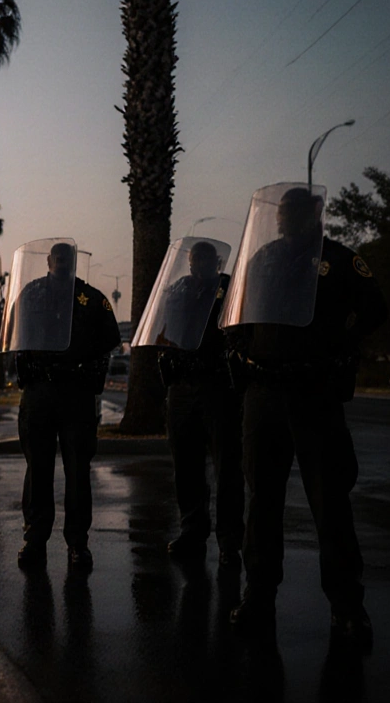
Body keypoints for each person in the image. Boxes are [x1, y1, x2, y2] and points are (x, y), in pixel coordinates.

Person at [224, 185, 386, 645]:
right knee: (262, 501)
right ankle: (258, 596)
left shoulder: (338, 258)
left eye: (293, 211)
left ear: (314, 214)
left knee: (330, 501)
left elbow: (375, 309)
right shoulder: (262, 259)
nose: (284, 218)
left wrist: (340, 346)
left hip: (314, 393)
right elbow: (236, 316)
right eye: (281, 212)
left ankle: (347, 605)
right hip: (264, 394)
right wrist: (238, 349)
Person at [10, 242, 121, 570]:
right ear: (48, 261)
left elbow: (108, 343)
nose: (61, 263)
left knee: (77, 471)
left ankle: (78, 544)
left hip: (76, 394)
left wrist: (92, 374)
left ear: (73, 262)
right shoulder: (31, 293)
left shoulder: (92, 298)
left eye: (66, 258)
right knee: (38, 469)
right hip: (39, 392)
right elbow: (15, 333)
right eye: (56, 258)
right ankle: (34, 538)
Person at [157, 241, 244, 567]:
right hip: (182, 388)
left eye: (204, 259)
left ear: (216, 261)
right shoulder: (178, 288)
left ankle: (229, 543)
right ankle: (192, 532)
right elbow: (163, 328)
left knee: (227, 469)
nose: (198, 265)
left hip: (218, 387)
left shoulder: (228, 287)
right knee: (186, 467)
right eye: (194, 260)